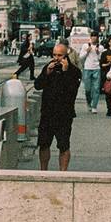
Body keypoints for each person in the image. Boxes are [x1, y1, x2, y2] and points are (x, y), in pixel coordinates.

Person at [34, 41, 82, 171]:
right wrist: (46, 73)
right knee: (44, 144)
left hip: (64, 114)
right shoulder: (49, 67)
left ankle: (63, 173)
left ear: (66, 55)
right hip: (47, 113)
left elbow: (72, 91)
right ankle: (43, 170)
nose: (56, 58)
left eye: (59, 55)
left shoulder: (74, 71)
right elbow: (37, 85)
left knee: (63, 145)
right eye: (54, 55)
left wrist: (65, 72)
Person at [78, 35, 102, 113]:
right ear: (90, 38)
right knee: (87, 88)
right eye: (93, 36)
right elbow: (81, 57)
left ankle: (94, 106)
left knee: (96, 88)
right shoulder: (85, 46)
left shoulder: (100, 47)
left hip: (97, 69)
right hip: (87, 68)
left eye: (96, 36)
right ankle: (89, 103)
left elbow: (101, 58)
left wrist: (98, 53)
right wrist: (87, 51)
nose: (94, 38)